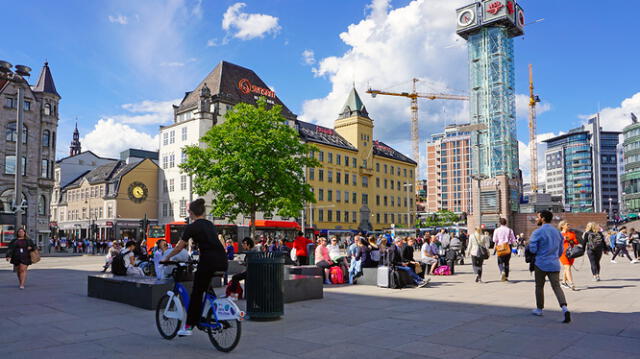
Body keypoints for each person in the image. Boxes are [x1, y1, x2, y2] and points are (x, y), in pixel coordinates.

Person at [162, 198, 228, 337]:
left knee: (197, 293)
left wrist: (166, 258)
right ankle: (218, 313)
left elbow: (180, 247)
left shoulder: (191, 227)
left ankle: (189, 325)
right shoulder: (210, 224)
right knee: (207, 289)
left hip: (209, 261)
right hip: (222, 260)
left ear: (191, 213)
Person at [528, 210, 571, 323]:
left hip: (540, 263)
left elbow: (532, 248)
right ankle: (564, 308)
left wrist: (537, 252)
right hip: (554, 263)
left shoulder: (538, 232)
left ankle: (539, 309)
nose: (537, 219)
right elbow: (561, 249)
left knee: (539, 286)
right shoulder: (557, 232)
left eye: (538, 217)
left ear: (542, 218)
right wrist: (554, 256)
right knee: (557, 286)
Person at [558, 221, 578, 291]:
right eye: (567, 224)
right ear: (562, 226)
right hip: (562, 253)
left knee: (567, 268)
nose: (568, 225)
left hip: (571, 253)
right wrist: (563, 239)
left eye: (568, 224)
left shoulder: (572, 233)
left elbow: (576, 242)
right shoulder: (559, 234)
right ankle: (571, 283)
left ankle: (563, 282)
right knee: (567, 267)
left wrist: (569, 240)